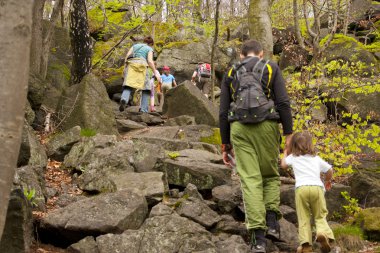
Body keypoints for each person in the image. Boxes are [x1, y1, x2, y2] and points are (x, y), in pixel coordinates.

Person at [219, 39, 293, 252]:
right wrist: (288, 134)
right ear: (261, 53)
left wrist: (225, 144)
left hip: (240, 129)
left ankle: (258, 238)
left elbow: (223, 111)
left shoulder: (231, 71)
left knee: (250, 179)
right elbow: (283, 103)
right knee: (270, 175)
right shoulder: (271, 66)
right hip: (267, 126)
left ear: (241, 55)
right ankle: (272, 221)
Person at [281, 131, 335, 253]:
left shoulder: (293, 158)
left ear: (294, 145)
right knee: (320, 215)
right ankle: (322, 233)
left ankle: (306, 245)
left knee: (303, 217)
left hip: (301, 189)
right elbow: (329, 169)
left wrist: (285, 153)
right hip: (317, 188)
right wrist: (327, 180)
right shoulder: (316, 158)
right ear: (310, 144)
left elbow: (283, 165)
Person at [119, 36, 160, 112]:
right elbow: (150, 61)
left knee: (128, 84)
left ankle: (124, 99)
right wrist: (155, 71)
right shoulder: (149, 49)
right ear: (151, 44)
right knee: (146, 88)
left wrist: (125, 68)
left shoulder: (135, 46)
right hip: (143, 66)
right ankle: (144, 109)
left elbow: (127, 56)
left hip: (131, 65)